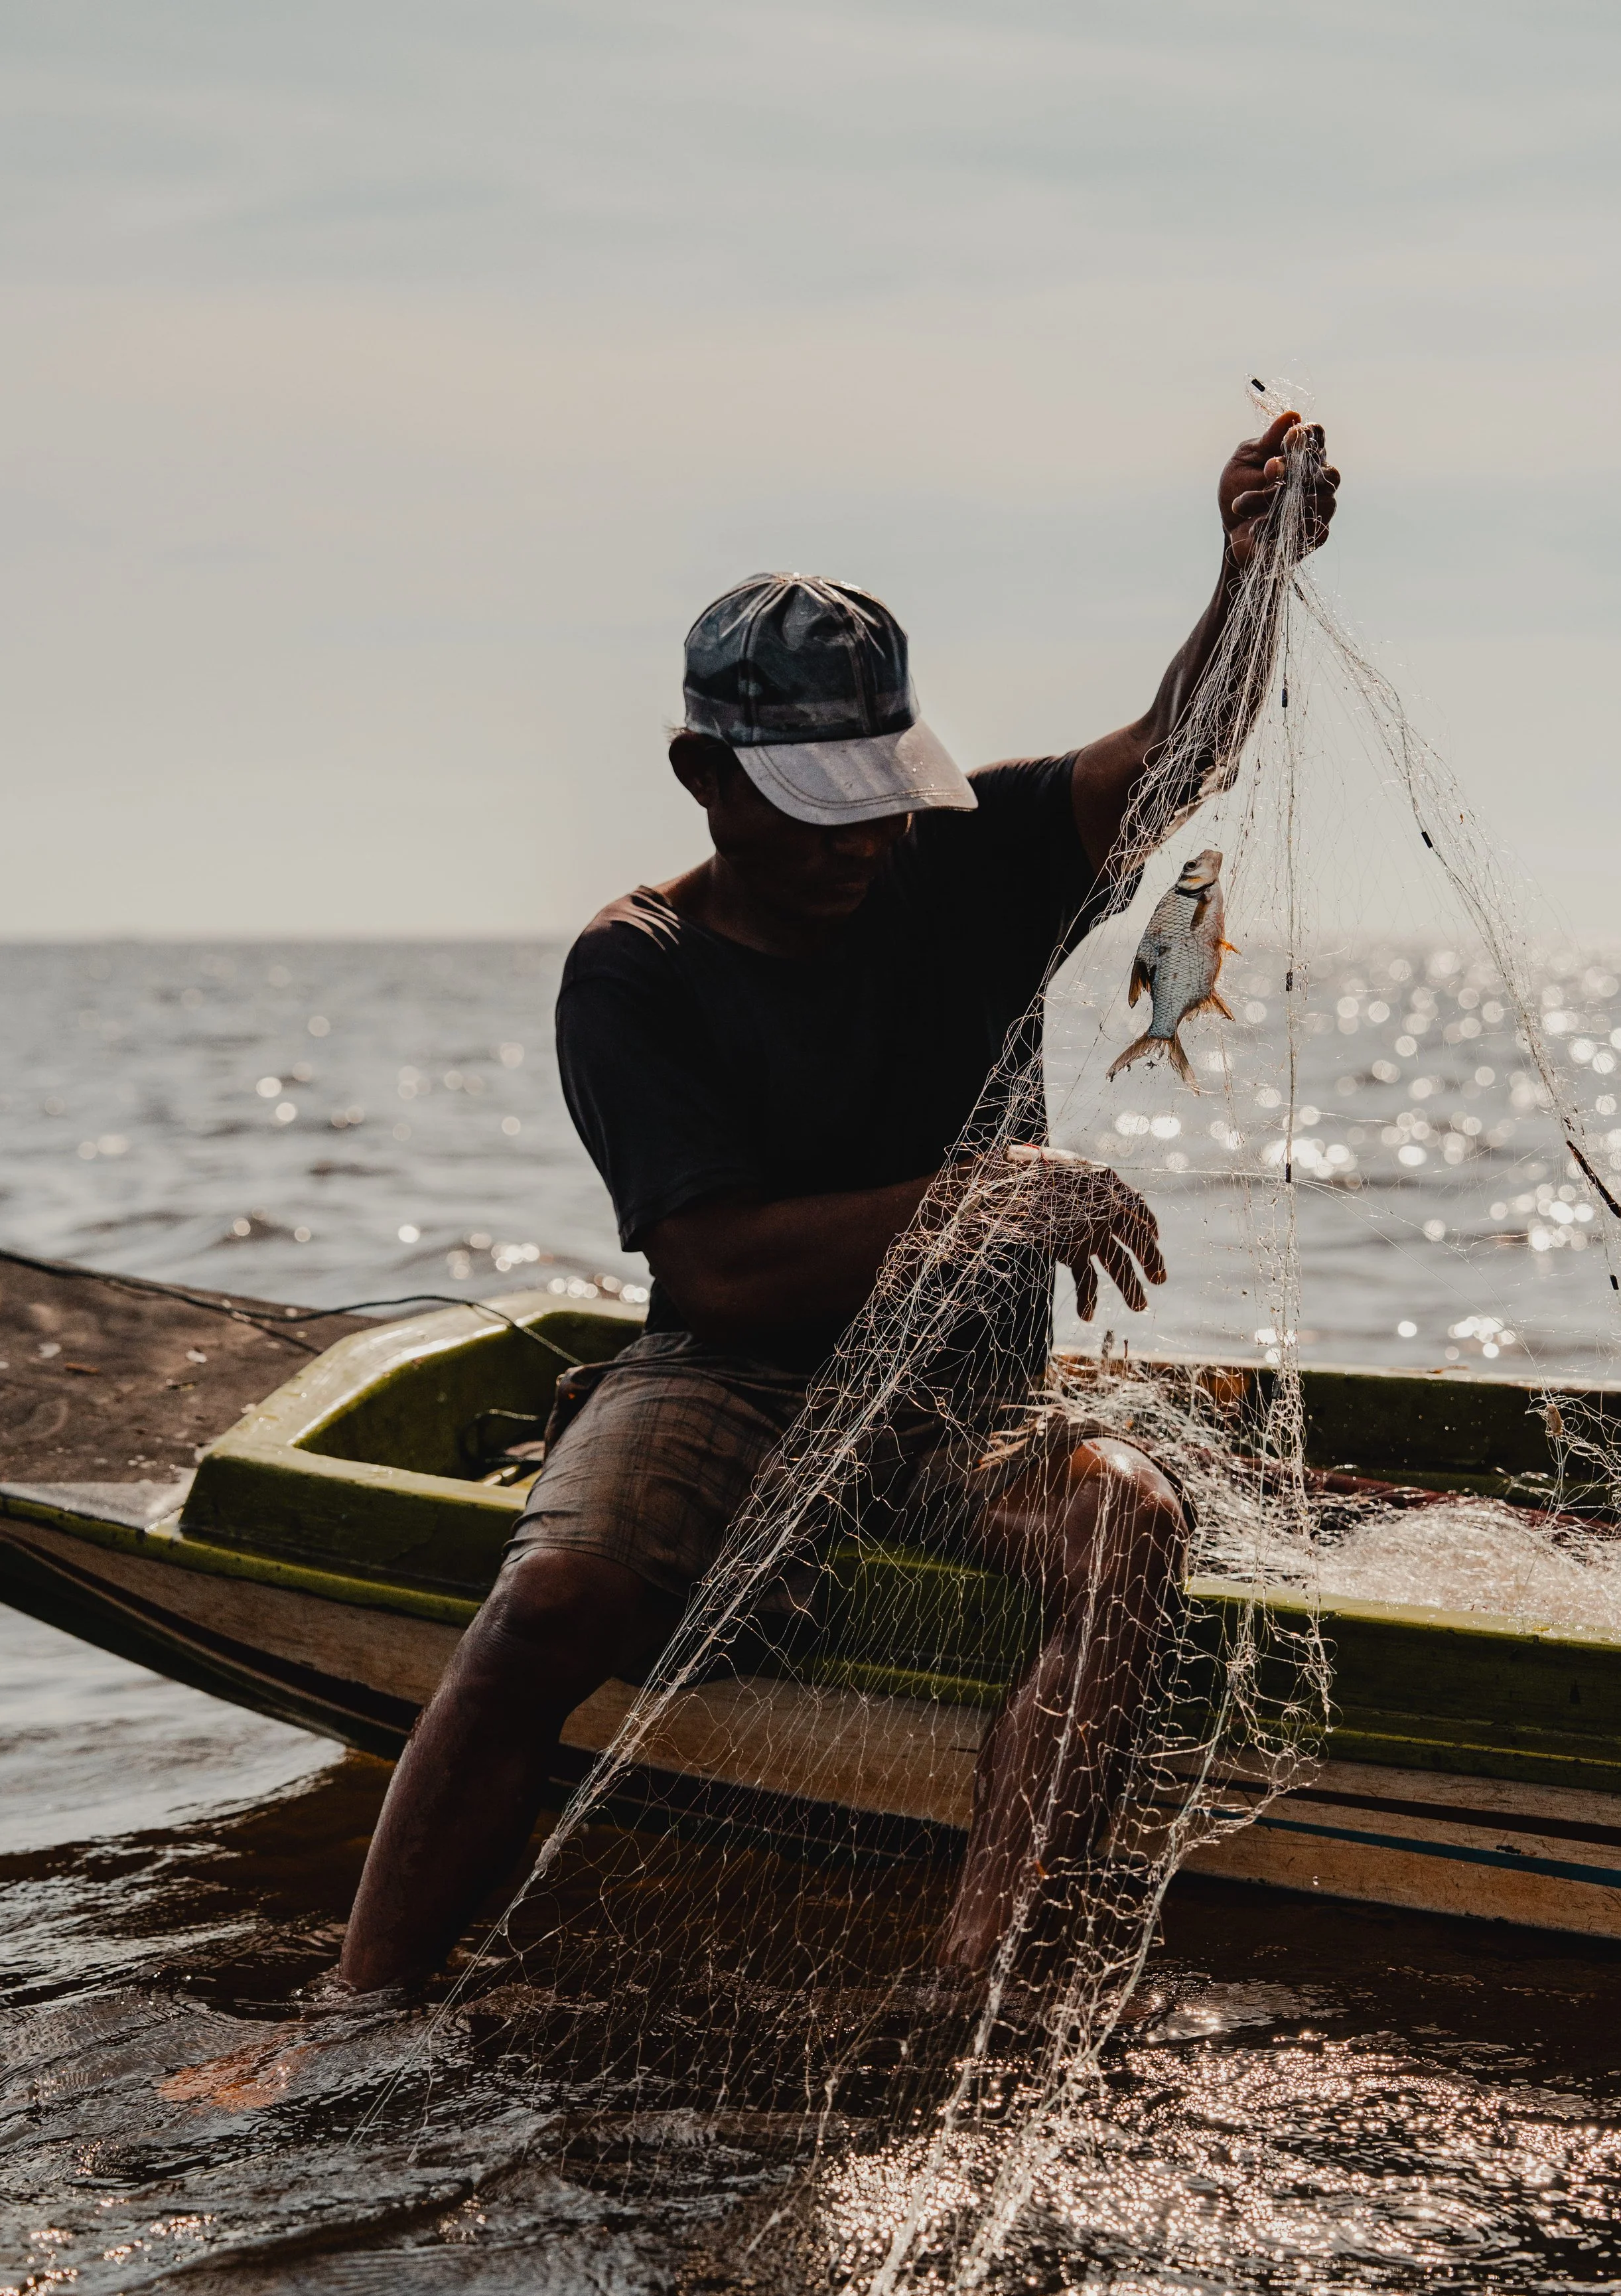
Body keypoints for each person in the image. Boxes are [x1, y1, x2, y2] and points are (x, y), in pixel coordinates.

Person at [339, 411, 1340, 1993]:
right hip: (728, 1381)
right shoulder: (636, 969)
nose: (862, 841)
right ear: (700, 779)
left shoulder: (958, 860)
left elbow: (1181, 753)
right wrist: (976, 1200)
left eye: (880, 792)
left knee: (1128, 1527)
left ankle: (981, 1976)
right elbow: (721, 1272)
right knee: (548, 1602)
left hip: (965, 1396)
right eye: (818, 804)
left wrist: (1247, 574)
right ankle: (357, 2000)